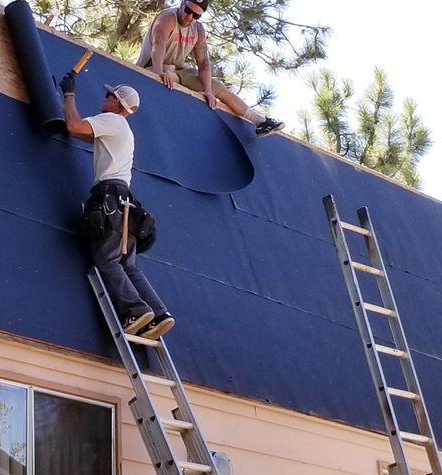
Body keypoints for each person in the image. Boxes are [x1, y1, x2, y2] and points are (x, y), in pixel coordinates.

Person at [59, 72, 176, 340]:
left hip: (109, 198)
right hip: (126, 205)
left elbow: (74, 127)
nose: (104, 98)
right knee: (129, 265)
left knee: (106, 260)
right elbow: (86, 134)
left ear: (117, 102)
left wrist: (69, 95)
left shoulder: (112, 121)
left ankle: (135, 309)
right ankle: (158, 313)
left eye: (108, 95)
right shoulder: (123, 130)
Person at [137, 0, 285, 136]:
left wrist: (208, 91)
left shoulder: (198, 29)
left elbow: (204, 63)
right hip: (153, 68)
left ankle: (260, 121)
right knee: (169, 70)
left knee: (217, 88)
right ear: (182, 4)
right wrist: (158, 73)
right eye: (188, 10)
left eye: (196, 15)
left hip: (178, 71)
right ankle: (168, 73)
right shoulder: (168, 18)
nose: (190, 17)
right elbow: (158, 44)